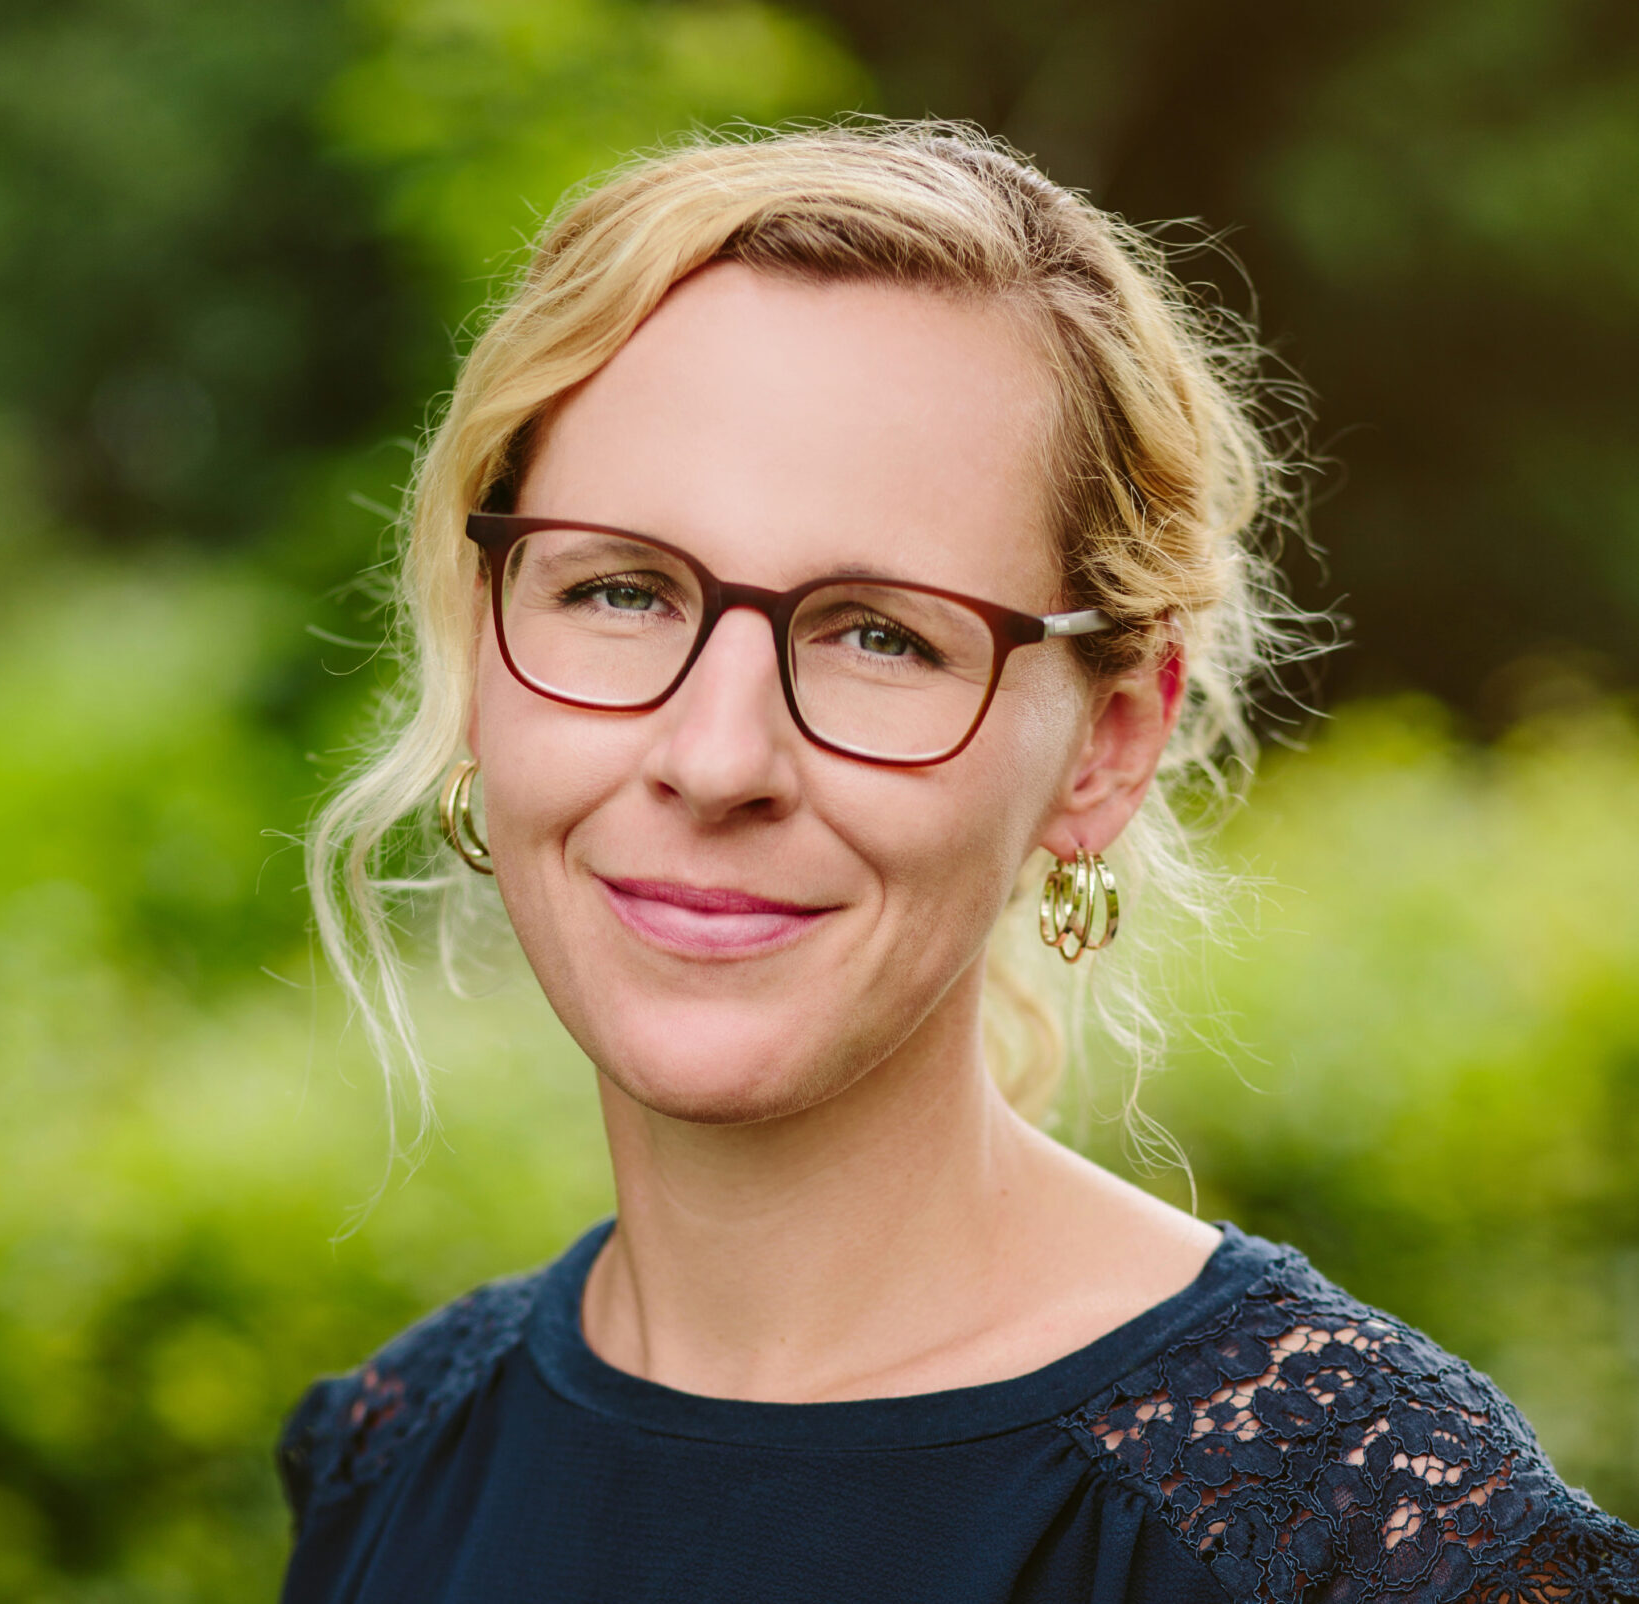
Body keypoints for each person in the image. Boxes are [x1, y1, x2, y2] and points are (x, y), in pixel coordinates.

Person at [276, 124, 1639, 1602]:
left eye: (882, 635)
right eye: (619, 591)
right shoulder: (386, 1461)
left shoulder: (1375, 1545)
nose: (717, 758)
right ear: (486, 645)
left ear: (1105, 747)